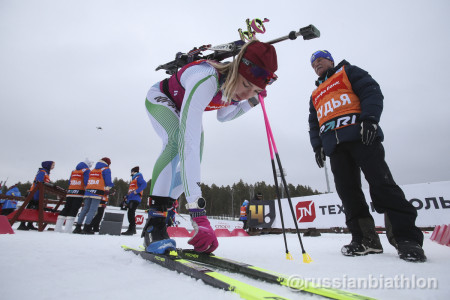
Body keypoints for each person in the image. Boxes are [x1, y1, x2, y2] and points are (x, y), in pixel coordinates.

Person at [143, 40, 278, 254]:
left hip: (184, 108)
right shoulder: (206, 78)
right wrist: (198, 213)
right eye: (245, 85)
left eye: (256, 90)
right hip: (162, 98)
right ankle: (155, 221)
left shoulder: (233, 90)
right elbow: (188, 142)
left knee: (194, 162)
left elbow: (224, 116)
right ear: (235, 71)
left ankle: (166, 206)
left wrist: (252, 102)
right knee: (177, 141)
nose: (247, 93)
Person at [308, 50, 426, 262]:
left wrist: (370, 119)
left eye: (320, 60)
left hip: (361, 136)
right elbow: (313, 123)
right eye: (313, 63)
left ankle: (407, 239)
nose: (317, 64)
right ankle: (365, 240)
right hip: (335, 146)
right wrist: (317, 146)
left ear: (331, 61)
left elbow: (371, 91)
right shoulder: (315, 94)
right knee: (348, 193)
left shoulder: (348, 72)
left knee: (382, 185)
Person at [73, 157, 113, 235]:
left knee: (85, 209)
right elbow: (108, 182)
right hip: (97, 192)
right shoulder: (106, 169)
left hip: (88, 191)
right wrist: (110, 186)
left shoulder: (93, 170)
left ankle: (78, 227)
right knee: (92, 210)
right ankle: (87, 227)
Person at [55, 159, 92, 233]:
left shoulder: (74, 171)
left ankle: (57, 228)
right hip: (79, 192)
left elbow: (69, 182)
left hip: (70, 191)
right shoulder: (86, 171)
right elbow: (86, 182)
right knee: (74, 209)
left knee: (66, 208)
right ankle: (68, 228)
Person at [17, 161, 55, 231]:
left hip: (39, 193)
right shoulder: (42, 172)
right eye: (52, 165)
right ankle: (22, 224)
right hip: (35, 193)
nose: (53, 167)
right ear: (48, 165)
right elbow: (39, 182)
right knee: (30, 209)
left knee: (35, 209)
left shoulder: (46, 172)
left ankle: (30, 224)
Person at [122, 166, 147, 236]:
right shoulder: (133, 179)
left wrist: (137, 191)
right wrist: (126, 196)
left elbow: (144, 184)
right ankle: (133, 229)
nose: (131, 173)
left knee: (130, 213)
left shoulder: (138, 177)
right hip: (131, 198)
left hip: (135, 198)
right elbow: (131, 191)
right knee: (130, 213)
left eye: (132, 171)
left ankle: (131, 229)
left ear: (134, 172)